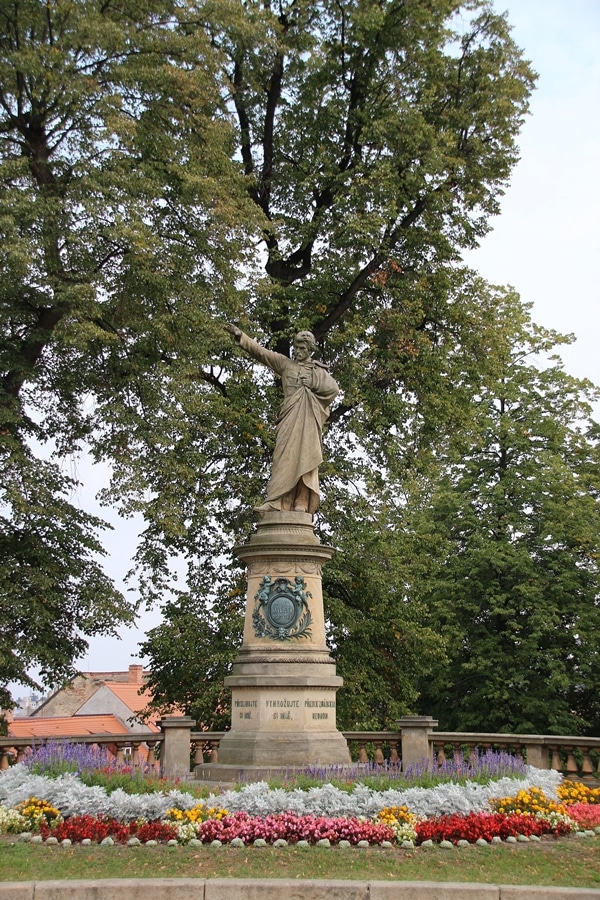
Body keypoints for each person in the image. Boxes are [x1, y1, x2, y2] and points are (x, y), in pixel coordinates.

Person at [225, 325, 339, 514]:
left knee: (306, 458)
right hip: (288, 418)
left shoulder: (317, 371)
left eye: (303, 348)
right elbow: (262, 353)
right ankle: (278, 501)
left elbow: (333, 389)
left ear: (310, 350)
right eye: (297, 348)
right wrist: (242, 337)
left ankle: (301, 500)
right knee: (282, 459)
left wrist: (313, 384)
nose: (299, 352)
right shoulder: (286, 364)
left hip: (308, 422)